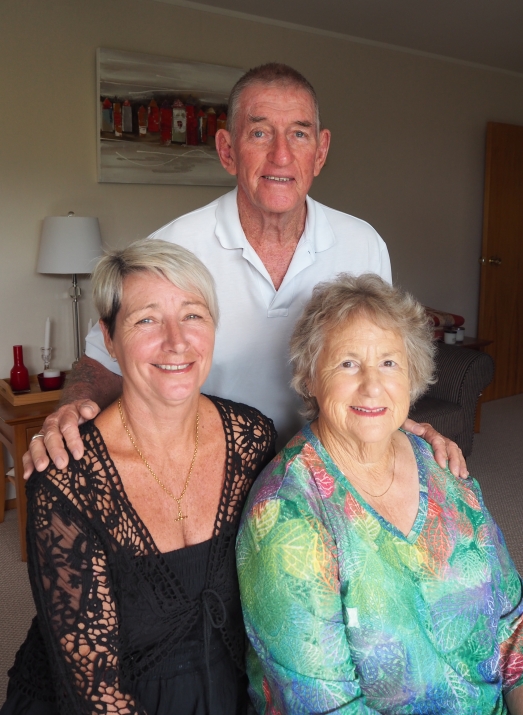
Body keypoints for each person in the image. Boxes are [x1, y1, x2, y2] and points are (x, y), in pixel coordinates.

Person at [24, 62, 465, 480]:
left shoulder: (363, 243)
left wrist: (405, 425)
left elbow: (380, 362)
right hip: (207, 469)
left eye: (298, 134)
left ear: (321, 150)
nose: (281, 155)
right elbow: (105, 361)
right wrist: (72, 407)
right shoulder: (172, 248)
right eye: (259, 133)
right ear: (227, 151)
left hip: (329, 470)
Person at [2, 239, 276, 715]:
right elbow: (94, 691)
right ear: (108, 339)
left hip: (233, 687)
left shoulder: (252, 438)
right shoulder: (67, 477)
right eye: (146, 319)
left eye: (193, 315)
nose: (176, 340)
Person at [236, 273, 523, 714]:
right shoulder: (285, 513)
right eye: (348, 363)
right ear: (310, 377)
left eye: (389, 363)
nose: (372, 385)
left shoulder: (443, 465)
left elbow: (511, 625)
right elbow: (325, 706)